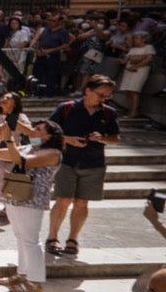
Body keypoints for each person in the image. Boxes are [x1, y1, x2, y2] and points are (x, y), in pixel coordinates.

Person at [46, 75, 121, 258]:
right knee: (63, 200)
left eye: (107, 96)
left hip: (93, 162)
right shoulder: (67, 108)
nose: (103, 99)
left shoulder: (109, 112)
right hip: (67, 160)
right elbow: (48, 132)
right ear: (88, 90)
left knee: (82, 202)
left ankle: (73, 238)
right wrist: (68, 139)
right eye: (101, 94)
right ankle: (52, 237)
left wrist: (102, 138)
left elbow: (116, 137)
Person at [0, 117, 64, 292]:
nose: (33, 131)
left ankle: (35, 282)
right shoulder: (27, 148)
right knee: (20, 237)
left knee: (31, 240)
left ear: (48, 136)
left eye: (38, 129)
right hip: (15, 197)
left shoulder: (53, 153)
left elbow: (22, 161)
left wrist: (9, 138)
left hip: (33, 201)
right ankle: (22, 274)